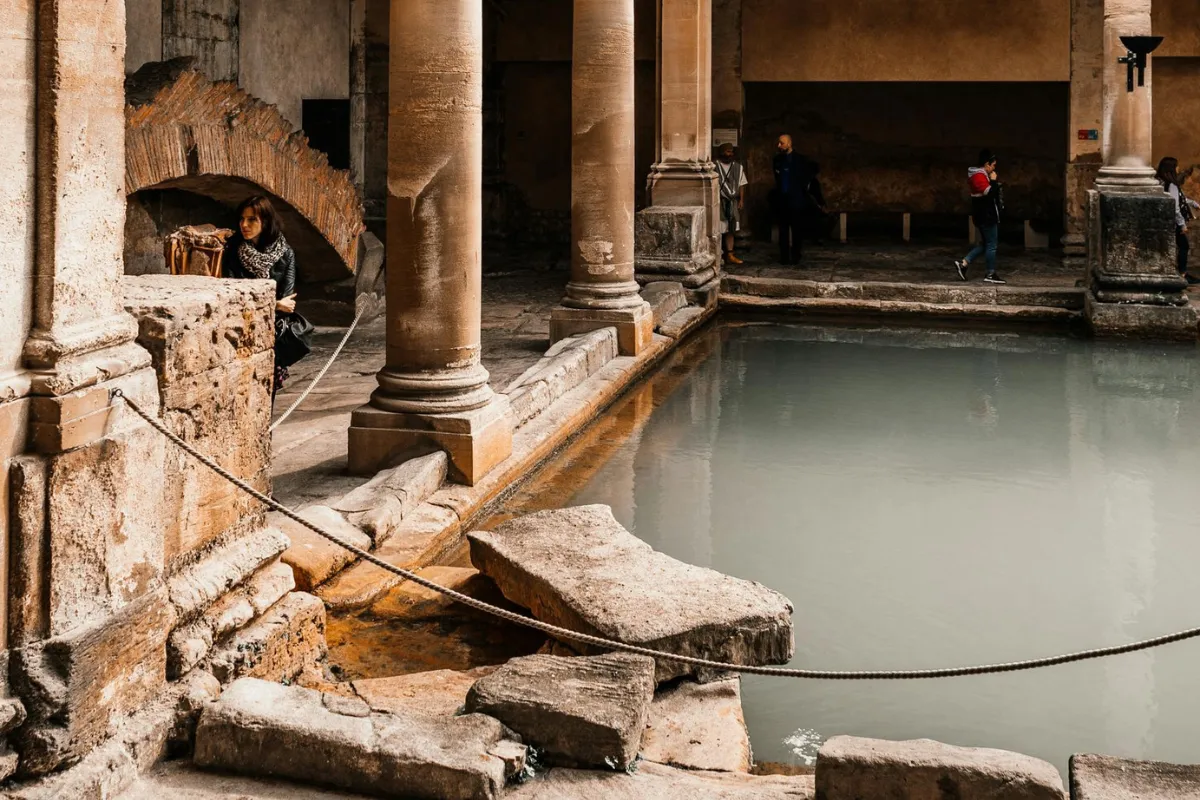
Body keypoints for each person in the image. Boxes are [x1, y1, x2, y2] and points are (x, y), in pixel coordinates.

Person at [226, 195, 311, 396]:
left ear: (266, 221)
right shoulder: (232, 250)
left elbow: (288, 301)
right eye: (241, 219)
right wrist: (274, 304)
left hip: (271, 329)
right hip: (240, 325)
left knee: (265, 391)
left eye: (252, 219)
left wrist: (276, 306)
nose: (244, 225)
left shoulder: (285, 253)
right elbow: (232, 293)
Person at [954, 149, 1006, 284]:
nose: (994, 168)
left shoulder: (981, 175)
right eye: (993, 165)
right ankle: (990, 273)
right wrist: (994, 181)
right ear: (987, 164)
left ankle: (964, 263)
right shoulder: (978, 176)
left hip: (985, 215)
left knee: (985, 244)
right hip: (986, 216)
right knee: (992, 245)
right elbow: (989, 195)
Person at [771, 134, 816, 266]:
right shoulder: (777, 160)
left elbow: (809, 174)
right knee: (783, 229)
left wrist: (803, 188)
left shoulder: (800, 160)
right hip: (782, 199)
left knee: (797, 229)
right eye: (779, 143)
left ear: (789, 144)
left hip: (796, 199)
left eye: (782, 143)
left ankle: (796, 255)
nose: (779, 146)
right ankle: (784, 256)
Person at [1155, 156, 1200, 285]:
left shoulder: (1160, 182)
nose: (1178, 168)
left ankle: (1178, 272)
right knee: (1184, 246)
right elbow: (1175, 205)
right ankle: (1182, 274)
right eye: (1176, 166)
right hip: (1173, 222)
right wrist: (1182, 224)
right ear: (1171, 169)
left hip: (1164, 221)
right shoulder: (1172, 185)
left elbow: (1180, 199)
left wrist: (1194, 203)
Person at [716, 142, 749, 265]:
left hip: (732, 201)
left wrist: (741, 200)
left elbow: (742, 184)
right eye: (727, 151)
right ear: (722, 152)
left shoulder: (738, 167)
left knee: (731, 228)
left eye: (731, 151)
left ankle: (730, 254)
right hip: (719, 202)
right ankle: (717, 254)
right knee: (718, 227)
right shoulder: (714, 166)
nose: (730, 154)